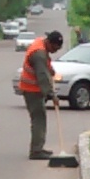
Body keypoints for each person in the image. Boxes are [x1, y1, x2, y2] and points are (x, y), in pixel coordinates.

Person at [17, 30, 64, 160]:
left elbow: (44, 66)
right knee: (39, 119)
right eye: (55, 48)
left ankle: (39, 147)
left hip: (33, 89)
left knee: (39, 118)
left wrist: (50, 70)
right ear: (49, 42)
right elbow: (42, 76)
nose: (55, 51)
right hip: (32, 90)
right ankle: (36, 151)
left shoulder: (40, 44)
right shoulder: (39, 54)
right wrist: (52, 95)